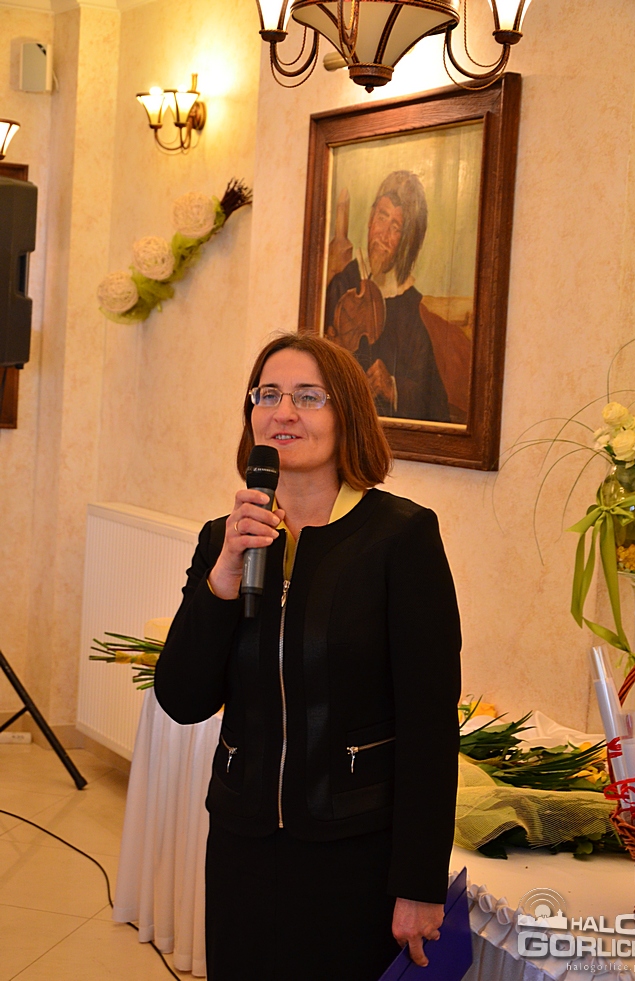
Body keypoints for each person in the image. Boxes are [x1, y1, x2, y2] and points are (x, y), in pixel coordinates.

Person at [154, 332, 461, 981]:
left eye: (307, 397)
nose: (283, 412)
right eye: (267, 395)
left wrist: (419, 882)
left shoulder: (400, 537)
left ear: (346, 413)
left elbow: (430, 725)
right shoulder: (223, 539)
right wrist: (222, 577)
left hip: (352, 848)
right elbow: (182, 699)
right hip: (242, 838)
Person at [325, 171, 451, 423]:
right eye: (382, 218)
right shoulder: (342, 286)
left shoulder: (410, 310)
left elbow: (434, 401)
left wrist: (393, 386)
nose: (382, 236)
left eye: (395, 228)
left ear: (405, 242)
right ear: (371, 219)